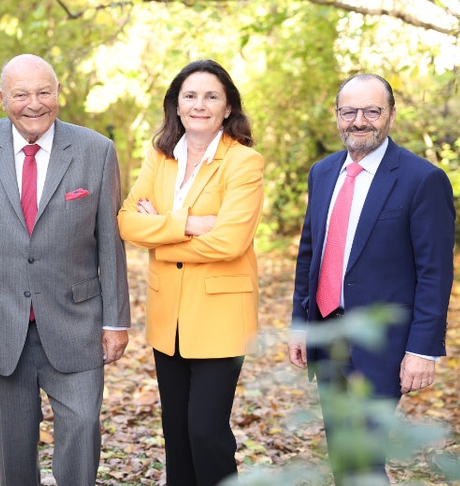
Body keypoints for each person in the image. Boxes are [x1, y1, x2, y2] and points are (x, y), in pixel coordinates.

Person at [0, 53, 130, 485]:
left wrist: (116, 321)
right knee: (16, 455)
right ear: (2, 98)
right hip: (1, 324)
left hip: (76, 324)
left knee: (82, 430)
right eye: (21, 94)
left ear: (59, 94)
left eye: (44, 92)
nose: (33, 103)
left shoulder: (96, 150)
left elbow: (111, 244)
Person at [288, 74, 454, 484]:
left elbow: (435, 272)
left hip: (384, 345)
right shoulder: (322, 172)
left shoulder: (422, 179)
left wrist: (423, 349)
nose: (359, 120)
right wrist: (300, 323)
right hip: (327, 333)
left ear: (391, 116)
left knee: (364, 457)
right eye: (349, 111)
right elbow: (310, 252)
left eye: (372, 110)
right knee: (342, 454)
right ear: (337, 116)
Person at [118, 59, 264, 486]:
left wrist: (161, 230)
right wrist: (189, 222)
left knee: (206, 432)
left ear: (227, 108)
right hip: (169, 319)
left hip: (221, 318)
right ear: (177, 106)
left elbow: (230, 241)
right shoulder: (159, 157)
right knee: (176, 434)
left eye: (211, 96)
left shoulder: (243, 162)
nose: (200, 104)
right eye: (190, 96)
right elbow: (128, 223)